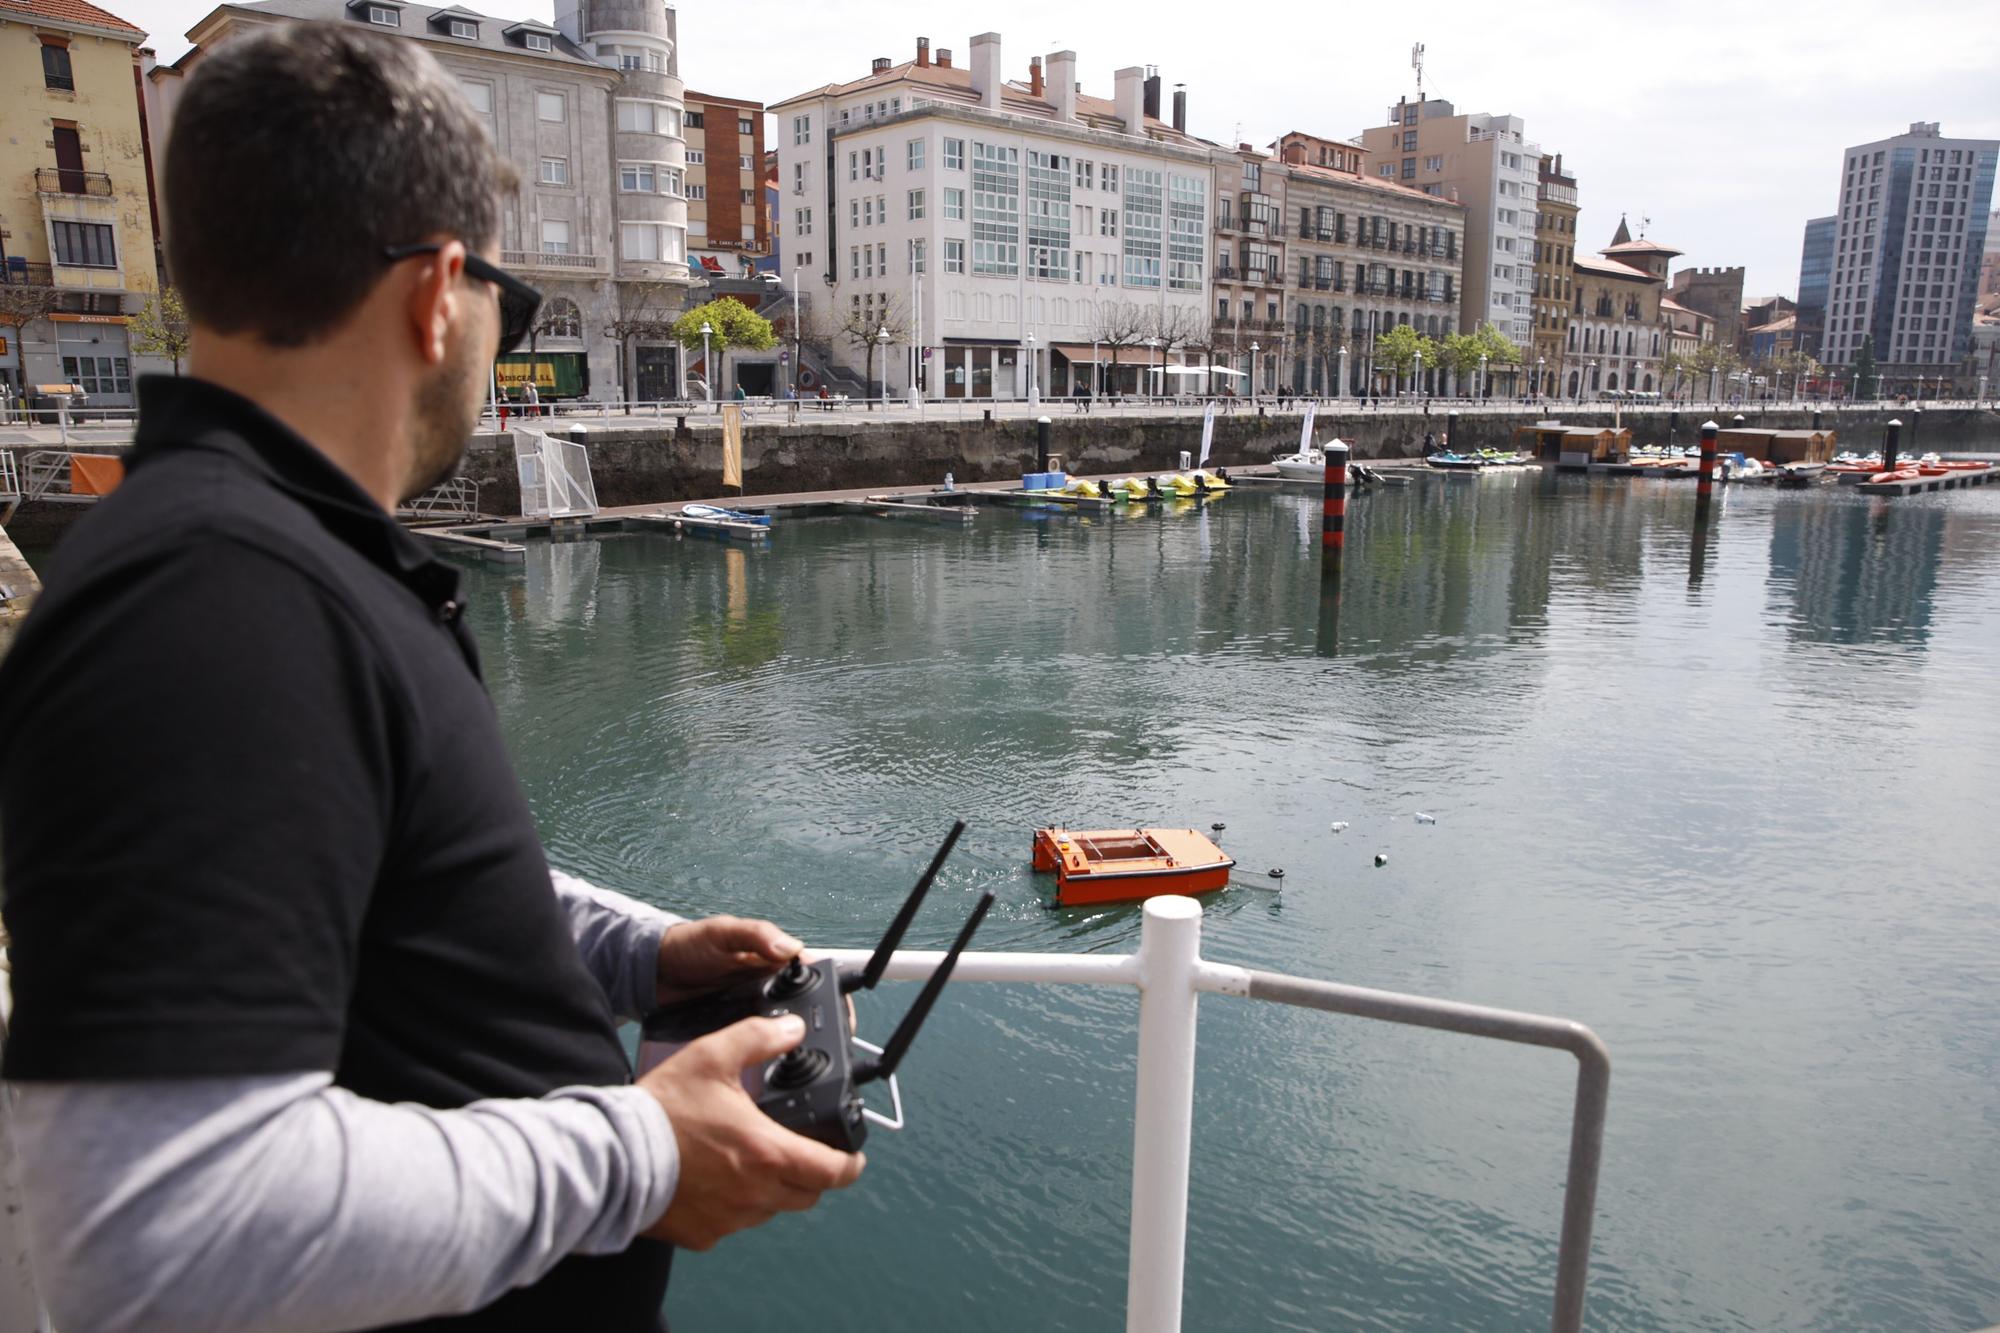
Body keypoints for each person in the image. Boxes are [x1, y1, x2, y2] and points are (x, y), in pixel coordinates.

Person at [0, 26, 861, 1333]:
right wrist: (641, 1155)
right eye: (502, 311)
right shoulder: (219, 596)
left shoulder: (267, 562)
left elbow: (365, 861)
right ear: (436, 293)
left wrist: (635, 953)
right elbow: (157, 1235)